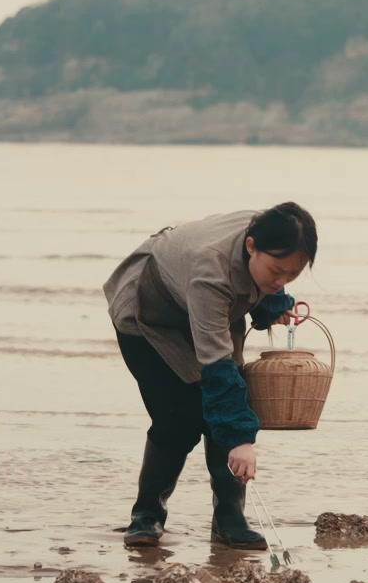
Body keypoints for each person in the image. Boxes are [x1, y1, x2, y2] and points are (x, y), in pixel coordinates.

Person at [103, 202, 317, 550]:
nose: (281, 281)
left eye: (292, 274)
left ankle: (229, 520)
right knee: (180, 417)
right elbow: (217, 370)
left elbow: (260, 284)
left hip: (207, 307)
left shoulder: (271, 230)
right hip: (149, 314)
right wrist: (241, 441)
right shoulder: (211, 273)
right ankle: (146, 516)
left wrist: (273, 303)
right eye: (276, 270)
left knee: (233, 397)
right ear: (251, 246)